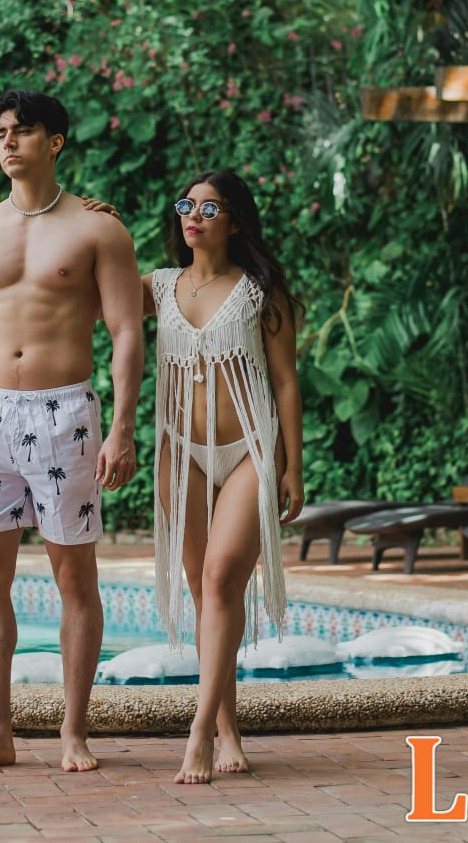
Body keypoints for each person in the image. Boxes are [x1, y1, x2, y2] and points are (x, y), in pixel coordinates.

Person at [0, 89, 144, 775]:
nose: (9, 142)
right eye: (1, 133)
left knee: (74, 574)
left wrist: (121, 427)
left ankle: (74, 731)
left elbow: (127, 331)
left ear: (57, 142)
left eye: (25, 131)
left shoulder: (98, 230)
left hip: (65, 412)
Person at [143, 170, 304, 784]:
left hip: (249, 448)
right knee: (205, 591)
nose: (195, 216)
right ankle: (228, 728)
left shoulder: (260, 290)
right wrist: (88, 216)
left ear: (235, 221)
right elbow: (89, 288)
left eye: (210, 208)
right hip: (179, 451)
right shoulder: (157, 287)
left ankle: (198, 733)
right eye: (187, 205)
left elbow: (286, 380)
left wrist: (294, 464)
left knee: (221, 577)